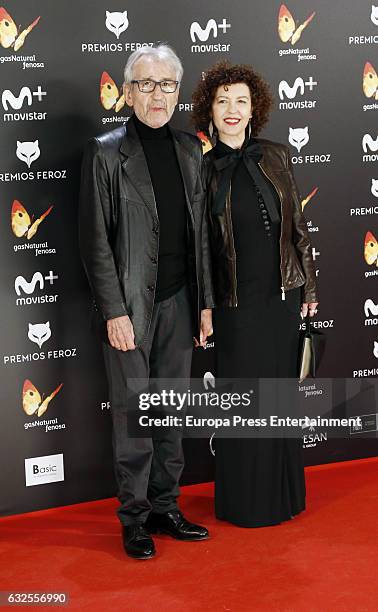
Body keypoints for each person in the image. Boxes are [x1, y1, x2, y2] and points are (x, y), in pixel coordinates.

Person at [79, 44, 213, 559]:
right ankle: (134, 518)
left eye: (167, 85)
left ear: (178, 92)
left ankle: (165, 507)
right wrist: (114, 311)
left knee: (170, 411)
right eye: (147, 85)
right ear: (129, 92)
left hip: (181, 302)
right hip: (131, 307)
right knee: (135, 416)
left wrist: (203, 304)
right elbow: (95, 243)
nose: (158, 95)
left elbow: (199, 234)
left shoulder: (189, 149)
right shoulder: (106, 151)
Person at [191, 61, 319, 528]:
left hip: (281, 297)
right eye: (223, 101)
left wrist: (309, 286)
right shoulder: (201, 169)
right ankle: (247, 502)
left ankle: (284, 495)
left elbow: (298, 232)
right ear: (209, 108)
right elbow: (201, 249)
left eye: (240, 101)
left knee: (280, 397)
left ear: (254, 109)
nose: (231, 109)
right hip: (234, 304)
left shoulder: (277, 155)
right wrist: (205, 306)